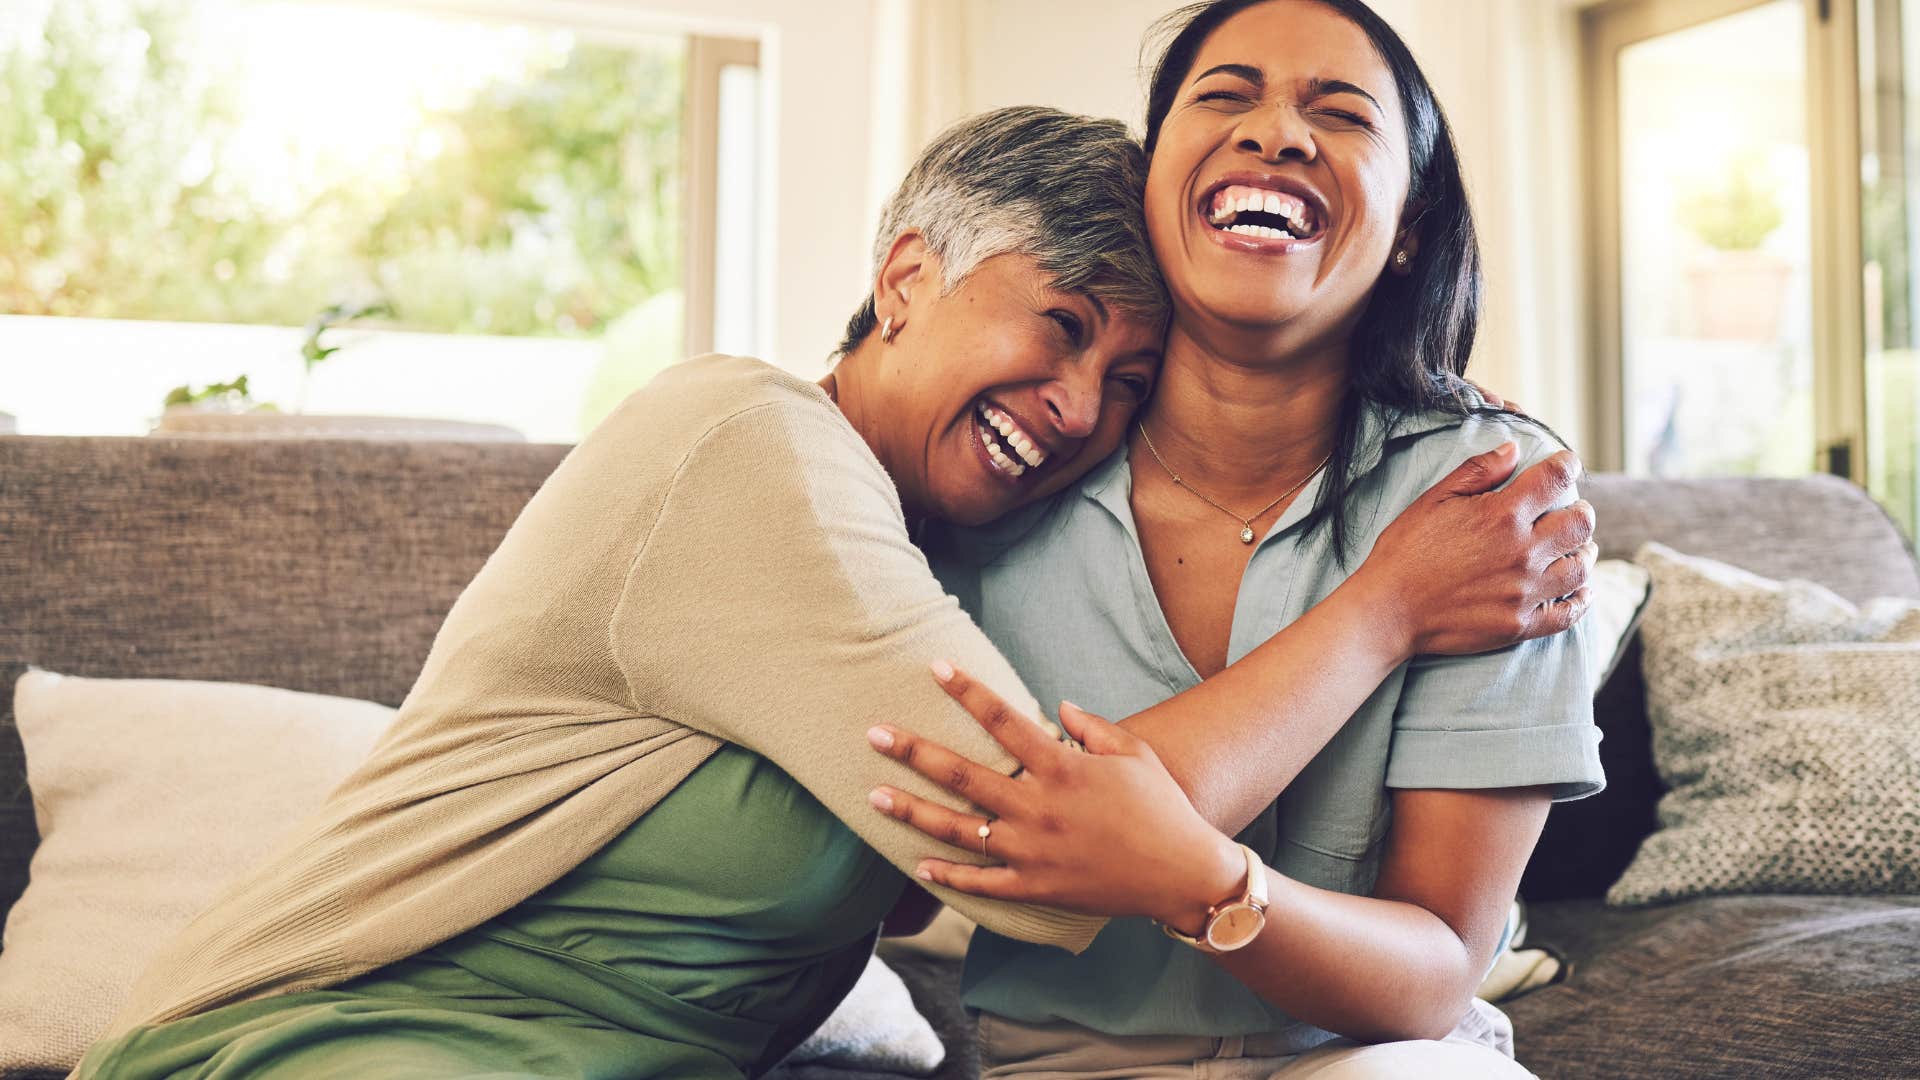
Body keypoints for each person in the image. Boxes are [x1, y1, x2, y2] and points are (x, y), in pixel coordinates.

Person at [78, 105, 1589, 1080]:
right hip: (329, 1045)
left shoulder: (946, 557)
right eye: (1054, 328)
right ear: (910, 275)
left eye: (1126, 380)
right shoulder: (743, 441)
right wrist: (1389, 604)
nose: (1075, 406)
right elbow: (1048, 833)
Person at [865, 3, 1603, 1078]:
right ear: (1150, 186)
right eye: (1224, 96)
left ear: (1407, 228)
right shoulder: (1003, 465)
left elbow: (1440, 961)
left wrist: (1212, 889)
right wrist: (1383, 611)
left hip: (1380, 1055)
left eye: (1341, 113)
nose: (1278, 133)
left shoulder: (1485, 499)